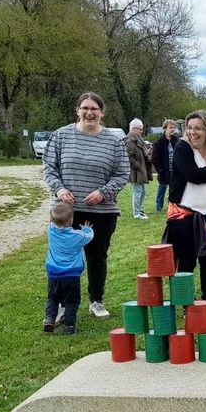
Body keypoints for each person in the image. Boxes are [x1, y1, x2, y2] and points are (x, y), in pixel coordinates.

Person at [43, 92, 129, 319]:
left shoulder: (114, 141)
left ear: (102, 112)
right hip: (66, 211)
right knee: (63, 257)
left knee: (97, 256)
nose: (89, 113)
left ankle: (96, 300)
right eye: (85, 108)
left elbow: (122, 173)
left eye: (94, 109)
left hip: (101, 211)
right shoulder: (61, 136)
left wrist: (103, 193)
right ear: (78, 111)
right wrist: (59, 189)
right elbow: (49, 167)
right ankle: (61, 303)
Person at [164, 110, 206, 318]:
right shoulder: (182, 148)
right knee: (186, 262)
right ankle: (186, 304)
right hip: (184, 215)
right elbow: (194, 176)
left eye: (198, 128)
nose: (192, 132)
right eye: (190, 127)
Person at [43, 203, 93, 334]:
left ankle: (49, 319)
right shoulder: (77, 236)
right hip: (71, 275)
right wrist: (87, 229)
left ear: (51, 220)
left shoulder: (51, 231)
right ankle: (69, 326)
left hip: (53, 273)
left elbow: (52, 222)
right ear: (71, 220)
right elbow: (89, 236)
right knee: (72, 301)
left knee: (52, 298)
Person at [126, 118, 153, 220]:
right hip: (135, 171)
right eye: (140, 129)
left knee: (143, 192)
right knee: (137, 192)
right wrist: (138, 165)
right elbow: (128, 157)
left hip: (141, 170)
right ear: (134, 129)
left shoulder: (139, 140)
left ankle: (139, 210)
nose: (142, 131)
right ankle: (136, 213)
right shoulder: (129, 141)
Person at [151, 119, 178, 214]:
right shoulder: (159, 142)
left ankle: (172, 207)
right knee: (161, 191)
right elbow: (154, 158)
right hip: (163, 172)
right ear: (165, 129)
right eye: (170, 127)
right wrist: (160, 170)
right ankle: (159, 208)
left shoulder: (176, 140)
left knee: (173, 190)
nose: (172, 129)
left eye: (174, 128)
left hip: (174, 172)